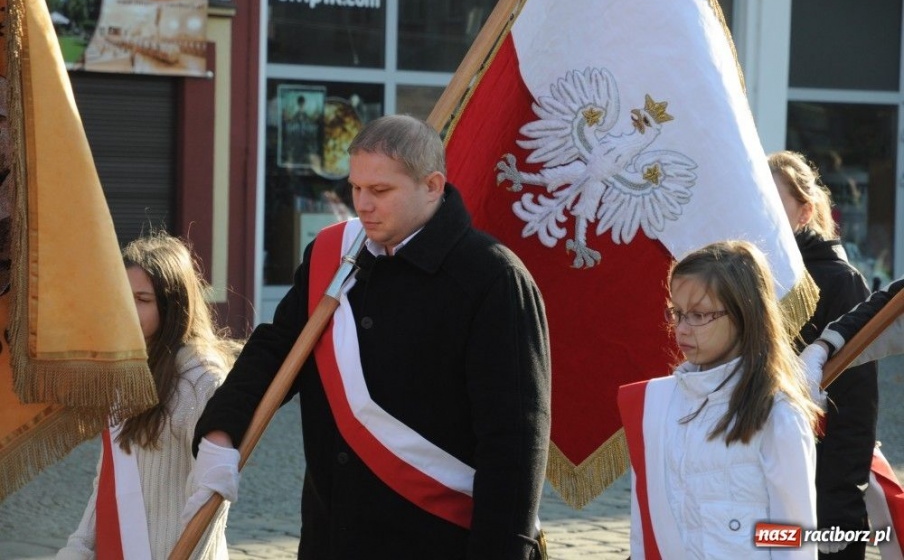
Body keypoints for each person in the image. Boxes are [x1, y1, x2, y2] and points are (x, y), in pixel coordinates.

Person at [192, 114, 552, 559]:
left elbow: (514, 441)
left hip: (437, 540)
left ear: (433, 186)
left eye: (380, 191)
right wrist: (222, 429)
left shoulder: (493, 278)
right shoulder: (332, 253)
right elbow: (278, 346)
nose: (362, 204)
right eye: (355, 188)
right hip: (333, 537)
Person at [619, 240, 822, 559]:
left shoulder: (778, 415)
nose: (681, 329)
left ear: (743, 315)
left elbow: (792, 538)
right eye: (677, 313)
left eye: (698, 315)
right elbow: (646, 525)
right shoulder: (660, 406)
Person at [57, 233, 240, 560]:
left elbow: (212, 497)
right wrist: (79, 548)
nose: (128, 310)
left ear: (173, 305)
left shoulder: (203, 382)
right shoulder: (127, 368)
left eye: (142, 299)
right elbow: (109, 480)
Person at [769, 150, 877, 559]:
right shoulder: (741, 274)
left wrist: (839, 506)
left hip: (816, 480)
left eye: (776, 205)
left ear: (805, 211)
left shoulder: (841, 281)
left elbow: (854, 406)